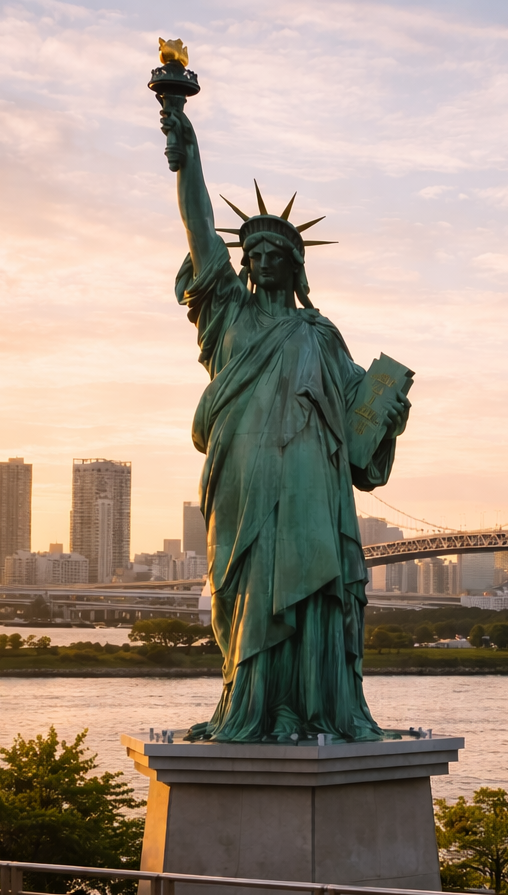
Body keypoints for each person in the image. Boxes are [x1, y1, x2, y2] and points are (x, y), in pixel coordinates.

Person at [159, 101, 410, 743]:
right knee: (244, 580)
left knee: (314, 582)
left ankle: (309, 705)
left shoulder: (320, 333)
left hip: (310, 476)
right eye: (257, 249)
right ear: (242, 262)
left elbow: (360, 420)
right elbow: (200, 229)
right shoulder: (227, 316)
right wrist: (187, 149)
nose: (266, 257)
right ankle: (254, 702)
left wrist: (390, 414)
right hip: (241, 470)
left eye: (279, 251)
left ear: (297, 265)